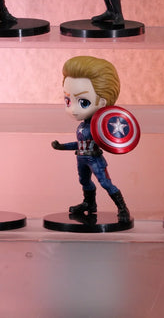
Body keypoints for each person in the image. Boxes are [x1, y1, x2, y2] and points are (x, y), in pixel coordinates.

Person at [51, 56, 131, 222]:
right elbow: (79, 144)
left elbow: (109, 139)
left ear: (102, 102)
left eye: (83, 102)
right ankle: (89, 203)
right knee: (84, 181)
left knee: (105, 183)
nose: (73, 109)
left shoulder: (99, 126)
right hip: (81, 158)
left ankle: (122, 207)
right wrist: (62, 146)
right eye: (68, 100)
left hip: (95, 159)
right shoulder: (81, 126)